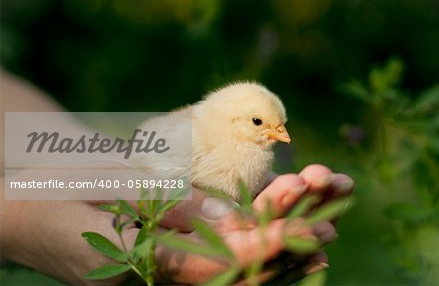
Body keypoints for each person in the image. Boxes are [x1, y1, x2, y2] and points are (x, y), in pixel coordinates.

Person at [0, 71, 354, 285]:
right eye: (261, 124)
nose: (279, 132)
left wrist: (83, 168)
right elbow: (148, 161)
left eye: (279, 124)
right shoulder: (204, 140)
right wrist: (15, 217)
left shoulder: (242, 145)